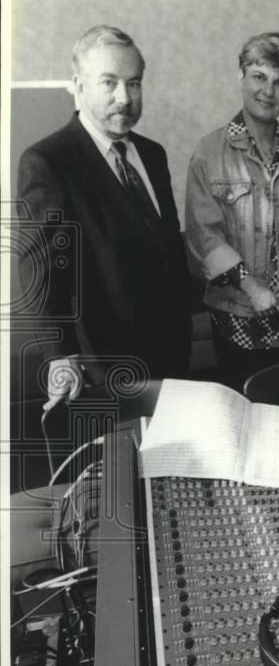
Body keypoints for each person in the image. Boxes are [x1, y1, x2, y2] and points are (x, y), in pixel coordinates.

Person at [17, 25, 192, 408]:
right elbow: (40, 269)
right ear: (79, 86)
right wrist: (59, 355)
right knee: (116, 467)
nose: (124, 98)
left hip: (171, 357)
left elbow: (166, 250)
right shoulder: (48, 161)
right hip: (101, 366)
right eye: (109, 83)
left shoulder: (153, 154)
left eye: (134, 83)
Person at [185, 32, 279, 393]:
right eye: (259, 77)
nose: (269, 91)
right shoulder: (208, 152)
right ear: (241, 77)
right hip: (234, 315)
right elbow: (205, 236)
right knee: (240, 412)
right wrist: (252, 288)